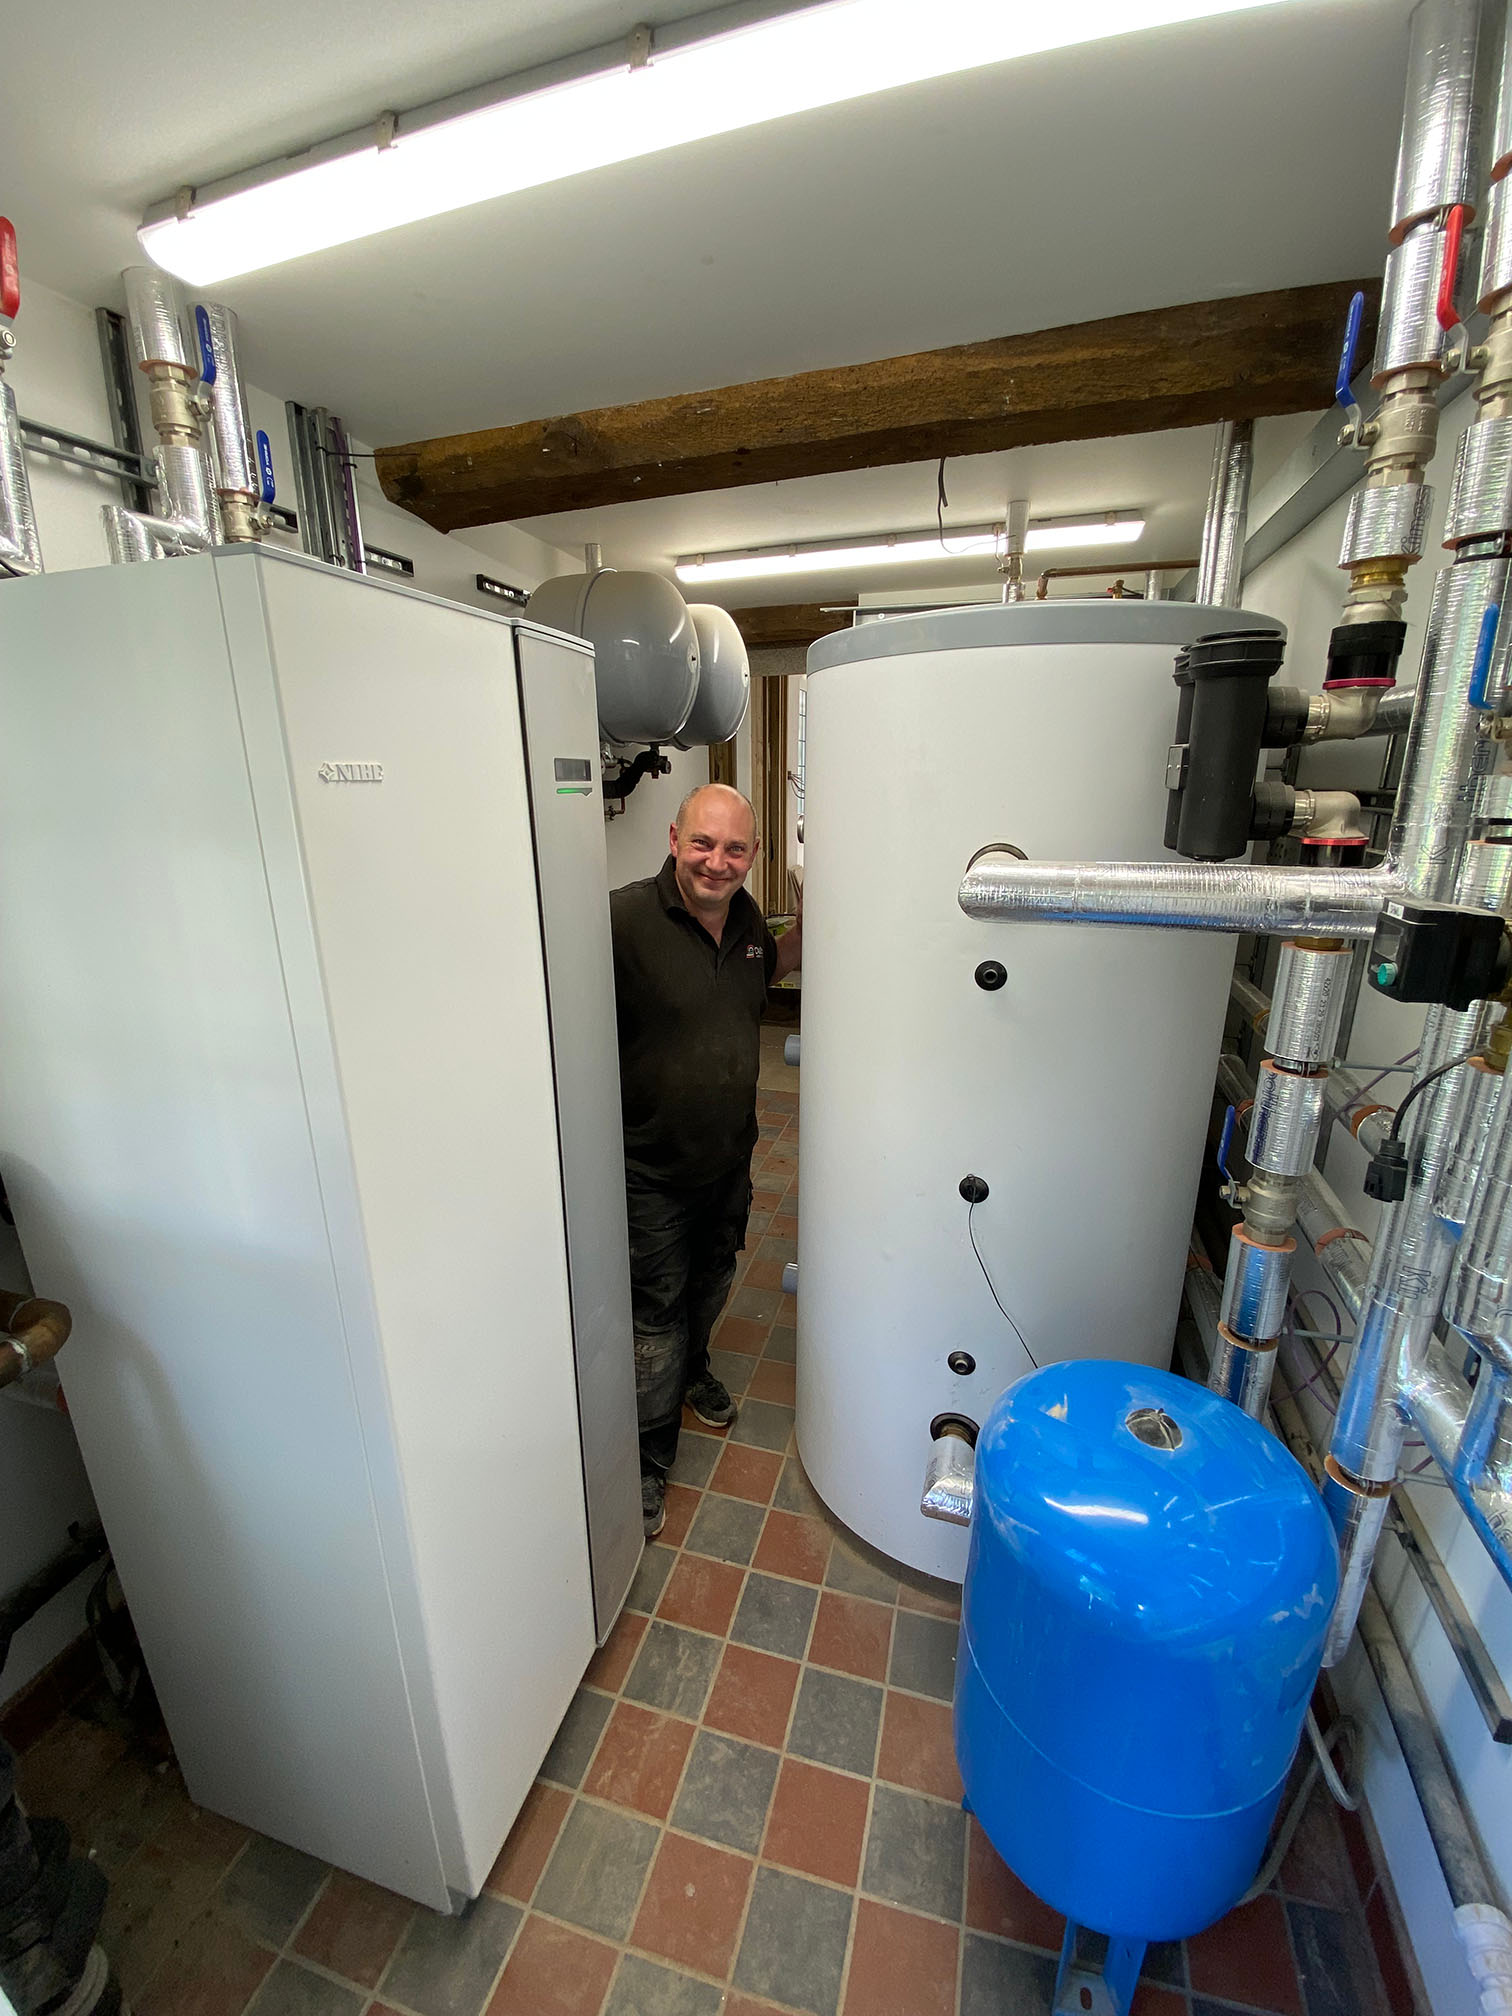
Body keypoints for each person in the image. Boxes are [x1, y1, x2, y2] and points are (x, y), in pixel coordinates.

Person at [611, 783, 802, 1536]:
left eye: (733, 849)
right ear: (673, 837)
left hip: (727, 1159)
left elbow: (759, 979)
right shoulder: (623, 919)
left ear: (752, 856)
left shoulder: (751, 923)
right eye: (702, 843)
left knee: (714, 1277)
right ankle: (647, 1462)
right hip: (647, 1168)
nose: (716, 862)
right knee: (653, 1317)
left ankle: (695, 1374)